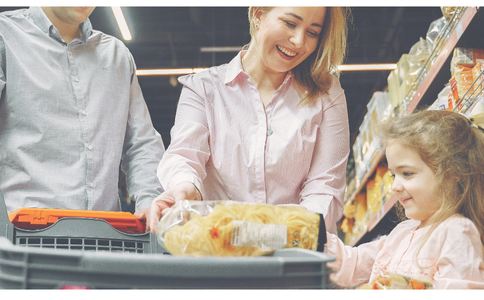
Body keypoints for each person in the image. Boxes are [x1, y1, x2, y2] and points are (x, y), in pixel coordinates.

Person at [0, 7, 165, 265]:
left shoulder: (117, 55)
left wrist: (152, 202)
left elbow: (142, 144)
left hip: (106, 246)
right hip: (22, 243)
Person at [147, 7, 351, 234]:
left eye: (313, 33)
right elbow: (184, 156)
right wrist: (185, 187)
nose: (299, 40)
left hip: (296, 255)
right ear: (258, 15)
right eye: (290, 24)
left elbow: (325, 187)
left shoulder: (326, 94)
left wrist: (284, 235)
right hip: (220, 251)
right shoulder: (203, 89)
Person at [324, 109, 484, 289]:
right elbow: (354, 263)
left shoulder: (456, 232)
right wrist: (315, 236)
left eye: (407, 173)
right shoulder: (403, 232)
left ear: (453, 173)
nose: (394, 186)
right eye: (394, 175)